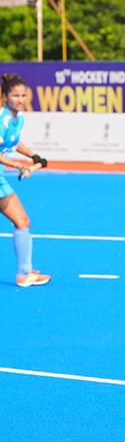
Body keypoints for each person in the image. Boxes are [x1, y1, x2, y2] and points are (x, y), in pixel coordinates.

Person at [0, 75, 49, 287]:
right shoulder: (2, 120)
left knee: (22, 221)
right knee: (22, 221)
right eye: (15, 96)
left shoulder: (18, 119)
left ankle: (25, 274)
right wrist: (17, 165)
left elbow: (14, 141)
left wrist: (32, 156)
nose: (20, 99)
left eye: (23, 95)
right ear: (5, 97)